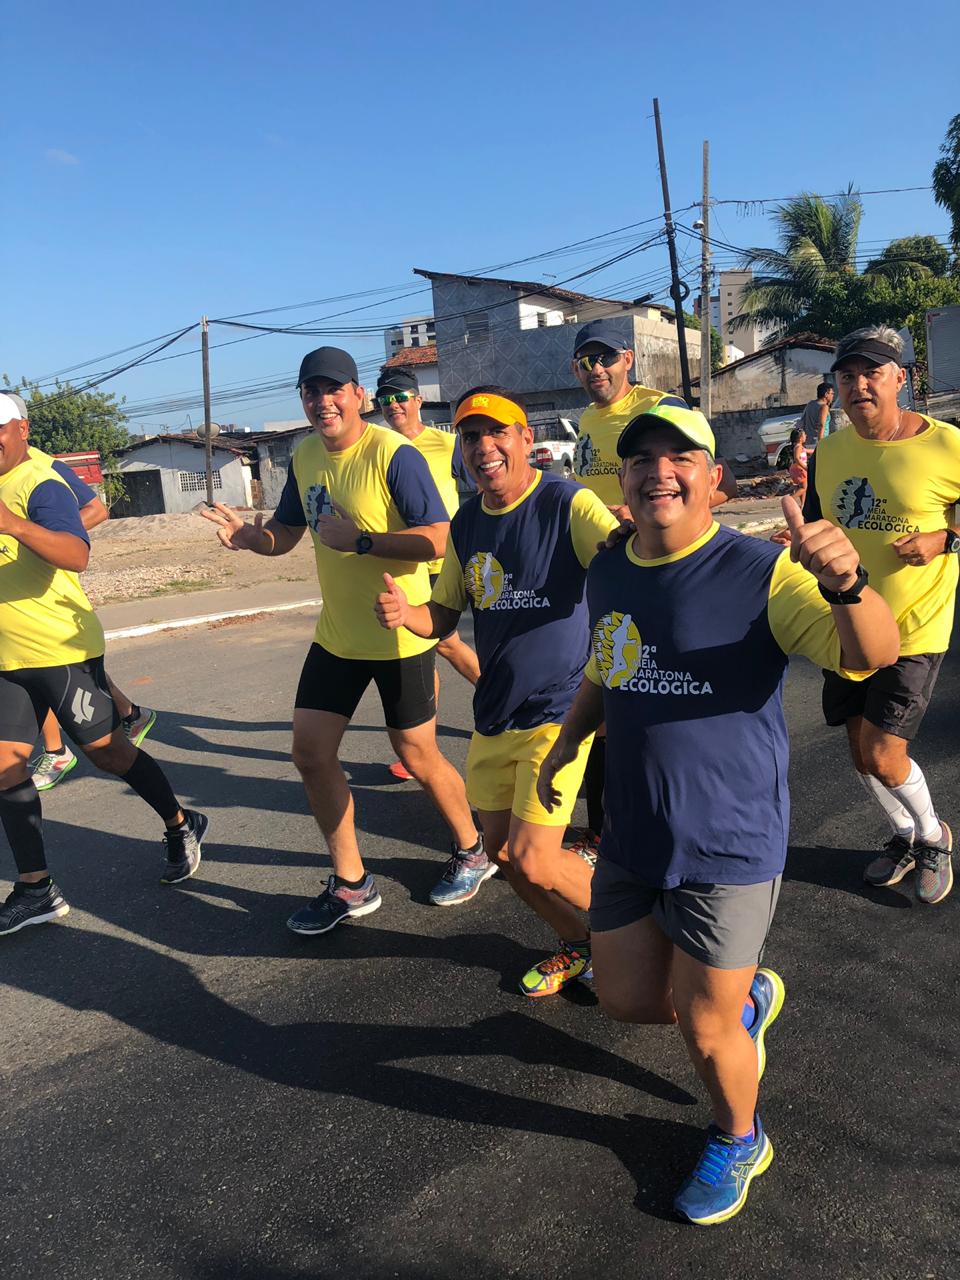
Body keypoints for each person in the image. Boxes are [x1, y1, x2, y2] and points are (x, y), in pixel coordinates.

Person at [538, 400, 899, 1223]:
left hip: (728, 841)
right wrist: (567, 744)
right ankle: (748, 997)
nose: (658, 470)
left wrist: (847, 581)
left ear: (715, 479)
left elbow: (871, 653)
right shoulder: (611, 567)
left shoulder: (761, 572)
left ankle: (741, 1135)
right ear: (625, 477)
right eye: (641, 457)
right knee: (626, 999)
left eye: (680, 457)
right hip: (632, 831)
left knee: (704, 1031)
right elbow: (608, 663)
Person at [202, 347, 493, 932]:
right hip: (337, 635)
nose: (323, 401)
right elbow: (286, 533)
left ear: (359, 395)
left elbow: (438, 538)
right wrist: (251, 539)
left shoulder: (393, 454)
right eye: (311, 391)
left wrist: (363, 541)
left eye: (334, 389)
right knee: (310, 753)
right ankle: (351, 883)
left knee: (417, 753)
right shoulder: (305, 455)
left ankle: (472, 850)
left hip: (398, 633)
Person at [376, 386, 618, 993]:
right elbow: (444, 613)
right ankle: (580, 943)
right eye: (470, 436)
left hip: (558, 711)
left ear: (525, 440)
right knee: (505, 857)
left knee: (537, 856)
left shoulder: (567, 502)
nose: (483, 446)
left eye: (496, 432)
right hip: (494, 715)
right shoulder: (467, 523)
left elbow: (622, 559)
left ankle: (646, 934)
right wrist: (408, 615)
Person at [0, 392, 207, 938]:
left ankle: (181, 823)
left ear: (22, 429)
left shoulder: (39, 482)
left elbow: (77, 554)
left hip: (60, 652)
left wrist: (14, 525)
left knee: (109, 753)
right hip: (5, 658)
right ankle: (36, 888)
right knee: (4, 767)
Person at [568, 319, 739, 865]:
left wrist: (646, 517)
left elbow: (723, 486)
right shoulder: (588, 421)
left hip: (655, 572)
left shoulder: (660, 409)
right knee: (606, 693)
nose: (596, 369)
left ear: (628, 359)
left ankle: (655, 830)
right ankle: (606, 830)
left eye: (605, 358)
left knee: (652, 696)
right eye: (585, 361)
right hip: (602, 574)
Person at [804, 325, 960, 903]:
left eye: (872, 373)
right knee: (859, 752)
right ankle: (904, 835)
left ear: (901, 379)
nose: (859, 385)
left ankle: (934, 836)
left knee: (883, 753)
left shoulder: (946, 445)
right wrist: (795, 542)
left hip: (915, 628)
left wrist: (945, 538)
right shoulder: (830, 451)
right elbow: (818, 522)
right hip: (846, 625)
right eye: (847, 376)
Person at [0, 396, 158, 790]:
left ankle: (67, 747)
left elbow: (96, 510)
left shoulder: (44, 468)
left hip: (52, 604)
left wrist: (41, 538)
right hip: (18, 628)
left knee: (54, 672)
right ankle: (118, 718)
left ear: (22, 428)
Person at [374, 365, 480, 782]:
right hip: (402, 565)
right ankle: (421, 746)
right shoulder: (379, 446)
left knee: (444, 645)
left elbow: (482, 487)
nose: (393, 406)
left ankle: (501, 702)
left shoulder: (447, 444)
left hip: (443, 562)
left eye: (400, 397)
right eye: (385, 400)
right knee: (426, 653)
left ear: (418, 400)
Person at [798, 381, 834, 448]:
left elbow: (802, 422)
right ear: (826, 394)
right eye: (831, 393)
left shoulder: (810, 404)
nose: (832, 396)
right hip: (818, 442)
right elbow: (821, 425)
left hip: (808, 441)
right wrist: (821, 443)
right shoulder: (824, 407)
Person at [787, 426, 808, 507]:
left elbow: (808, 451)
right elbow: (797, 458)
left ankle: (802, 505)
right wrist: (805, 467)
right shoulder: (798, 447)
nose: (806, 436)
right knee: (804, 488)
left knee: (802, 487)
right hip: (800, 469)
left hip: (797, 469)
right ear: (800, 438)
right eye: (804, 435)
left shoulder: (799, 446)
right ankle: (790, 499)